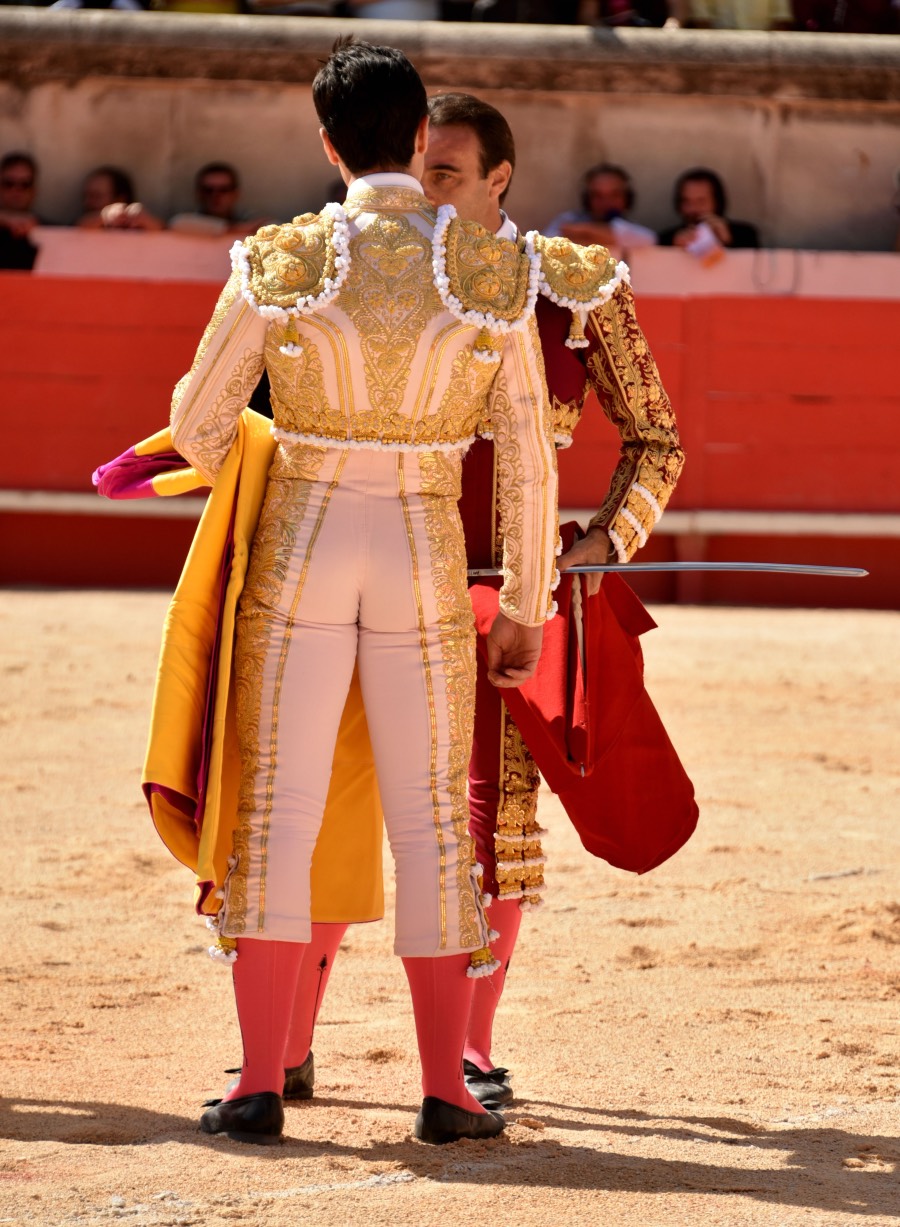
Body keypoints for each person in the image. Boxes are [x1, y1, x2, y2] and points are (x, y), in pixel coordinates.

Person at [169, 39, 559, 1146]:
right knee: (431, 817)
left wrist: (273, 455)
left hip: (302, 537)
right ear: (421, 136)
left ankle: (259, 1081)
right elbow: (529, 456)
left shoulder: (283, 257)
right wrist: (525, 603)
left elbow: (197, 428)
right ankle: (444, 1090)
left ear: (328, 143)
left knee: (279, 807)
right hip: (422, 546)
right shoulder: (486, 268)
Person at [278, 90, 686, 1110]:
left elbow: (657, 441)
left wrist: (603, 540)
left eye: (446, 174)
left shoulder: (570, 285)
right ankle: (286, 1042)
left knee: (487, 813)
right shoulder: (365, 266)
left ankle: (466, 1047)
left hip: (505, 591)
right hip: (368, 569)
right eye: (417, 169)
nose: (422, 191)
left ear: (500, 178)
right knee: (329, 800)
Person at [544, 162, 658, 256]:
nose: (606, 202)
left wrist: (583, 232)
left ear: (627, 198)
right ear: (587, 199)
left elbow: (648, 239)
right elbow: (546, 244)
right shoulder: (569, 219)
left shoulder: (629, 227)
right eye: (598, 195)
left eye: (614, 195)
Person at [658, 166, 759, 250]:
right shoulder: (666, 239)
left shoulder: (745, 235)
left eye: (701, 202)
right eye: (686, 202)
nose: (693, 209)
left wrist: (727, 242)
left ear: (717, 203)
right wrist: (674, 249)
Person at [168, 162, 273, 237]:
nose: (216, 195)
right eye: (208, 190)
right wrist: (240, 229)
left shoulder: (246, 218)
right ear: (199, 194)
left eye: (224, 190)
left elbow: (273, 228)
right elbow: (177, 223)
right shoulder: (191, 220)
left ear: (235, 194)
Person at [76, 165, 164, 231]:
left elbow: (166, 232)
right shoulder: (87, 223)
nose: (87, 202)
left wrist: (146, 221)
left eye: (96, 196)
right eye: (86, 196)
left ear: (120, 199)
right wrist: (104, 216)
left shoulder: (139, 225)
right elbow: (79, 227)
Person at [0, 152, 40, 271]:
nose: (16, 190)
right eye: (9, 184)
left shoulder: (46, 229)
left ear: (33, 190)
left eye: (25, 185)